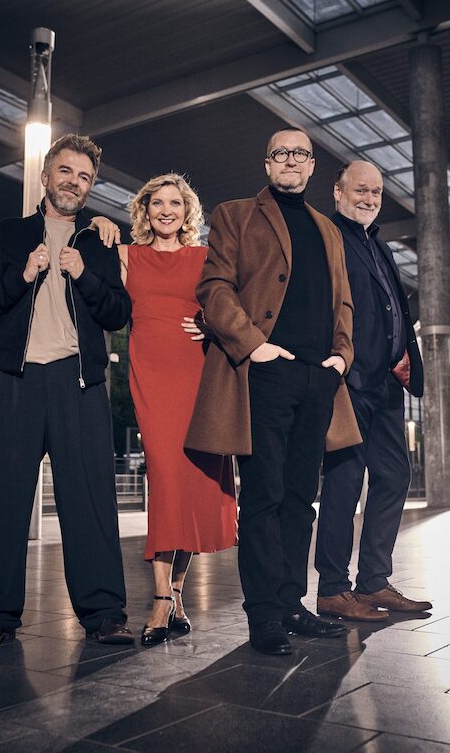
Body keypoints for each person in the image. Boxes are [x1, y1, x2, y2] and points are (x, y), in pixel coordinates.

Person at [185, 128, 362, 655]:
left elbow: (343, 301)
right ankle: (263, 615)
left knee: (300, 499)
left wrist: (342, 356)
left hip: (318, 378)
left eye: (301, 154)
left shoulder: (328, 229)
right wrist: (254, 345)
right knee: (263, 496)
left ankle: (290, 603)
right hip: (264, 373)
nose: (291, 161)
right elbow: (213, 287)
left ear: (312, 166)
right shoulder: (235, 214)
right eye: (281, 153)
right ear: (268, 164)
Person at [0, 134, 134, 650]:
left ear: (90, 186)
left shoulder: (100, 242)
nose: (73, 182)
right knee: (6, 500)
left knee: (91, 501)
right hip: (16, 381)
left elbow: (118, 313)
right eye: (66, 171)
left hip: (78, 383)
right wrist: (22, 275)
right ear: (45, 175)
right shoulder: (7, 235)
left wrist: (85, 277)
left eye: (84, 177)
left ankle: (104, 614)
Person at [94, 173, 237, 647]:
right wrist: (96, 223)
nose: (166, 211)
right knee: (165, 478)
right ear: (145, 210)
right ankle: (160, 597)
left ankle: (175, 595)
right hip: (151, 379)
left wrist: (210, 327)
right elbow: (84, 249)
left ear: (187, 211)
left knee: (191, 484)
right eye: (157, 203)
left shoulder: (204, 257)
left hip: (197, 377)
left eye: (175, 203)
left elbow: (233, 306)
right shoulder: (127, 256)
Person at [315, 160, 432, 621]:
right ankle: (332, 588)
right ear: (338, 192)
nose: (369, 198)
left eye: (376, 192)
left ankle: (374, 581)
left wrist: (401, 352)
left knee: (395, 475)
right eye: (360, 190)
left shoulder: (377, 244)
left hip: (385, 384)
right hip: (349, 383)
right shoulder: (329, 237)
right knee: (344, 483)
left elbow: (391, 308)